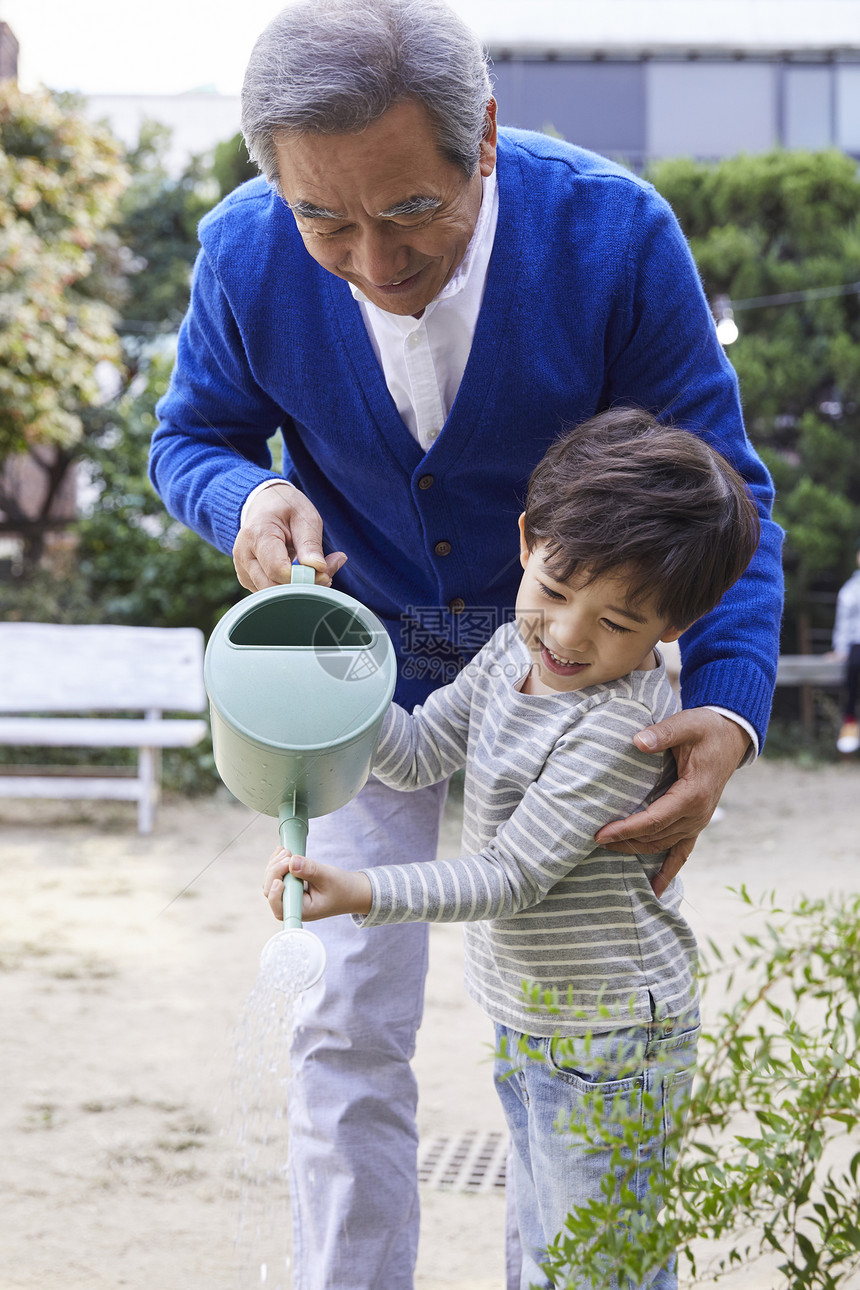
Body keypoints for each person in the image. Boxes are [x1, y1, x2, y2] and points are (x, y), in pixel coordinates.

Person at [148, 2, 784, 1285]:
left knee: (566, 1023)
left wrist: (724, 707)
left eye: (409, 213)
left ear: (482, 139)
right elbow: (190, 440)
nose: (371, 262)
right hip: (361, 671)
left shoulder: (610, 236)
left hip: (572, 678)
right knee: (338, 1018)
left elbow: (723, 493)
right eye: (322, 217)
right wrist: (242, 499)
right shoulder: (241, 250)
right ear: (273, 180)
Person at [262, 410, 762, 1289]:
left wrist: (361, 889)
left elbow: (510, 875)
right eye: (559, 589)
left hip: (611, 1043)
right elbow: (417, 751)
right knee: (552, 1249)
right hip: (534, 1017)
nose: (570, 637)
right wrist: (342, 664)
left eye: (619, 621)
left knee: (596, 1268)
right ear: (528, 542)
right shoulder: (507, 652)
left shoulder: (622, 726)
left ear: (677, 623)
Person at [831, 542, 860, 754]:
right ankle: (849, 720)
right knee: (854, 668)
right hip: (856, 644)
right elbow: (844, 621)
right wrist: (840, 648)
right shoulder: (852, 588)